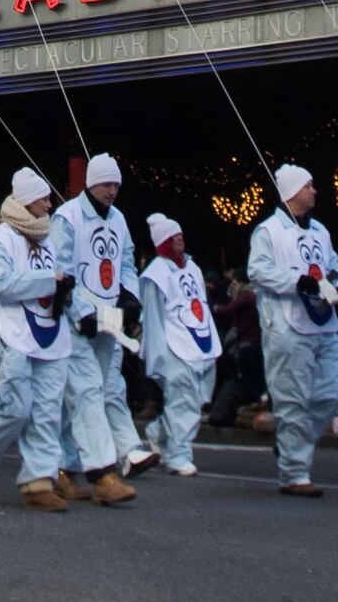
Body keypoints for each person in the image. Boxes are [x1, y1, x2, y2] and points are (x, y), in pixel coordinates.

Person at [0, 167, 88, 510]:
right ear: (28, 201)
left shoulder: (49, 237)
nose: (49, 204)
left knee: (48, 411)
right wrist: (50, 281)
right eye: (44, 198)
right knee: (15, 407)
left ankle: (38, 481)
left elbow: (65, 279)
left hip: (52, 335)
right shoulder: (1, 240)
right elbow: (2, 285)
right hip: (15, 333)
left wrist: (74, 303)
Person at [246, 163, 338, 499]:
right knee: (293, 398)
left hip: (323, 321)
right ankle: (294, 472)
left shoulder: (320, 231)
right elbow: (258, 272)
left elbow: (334, 266)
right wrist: (295, 282)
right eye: (308, 186)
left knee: (332, 391)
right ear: (292, 192)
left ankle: (292, 443)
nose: (314, 191)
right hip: (287, 323)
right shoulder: (268, 231)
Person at [52, 153, 148, 478]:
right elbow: (60, 271)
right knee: (86, 389)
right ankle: (98, 466)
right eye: (107, 184)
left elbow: (126, 261)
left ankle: (81, 461)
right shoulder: (67, 217)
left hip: (109, 318)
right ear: (92, 184)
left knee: (108, 386)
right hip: (76, 321)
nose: (112, 191)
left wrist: (130, 296)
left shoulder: (118, 219)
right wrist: (81, 312)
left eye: (116, 185)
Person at [140, 216, 221, 475]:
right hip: (174, 344)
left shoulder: (193, 268)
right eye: (172, 236)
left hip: (200, 338)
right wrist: (158, 354)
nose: (178, 239)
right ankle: (177, 454)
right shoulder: (156, 274)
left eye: (180, 234)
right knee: (182, 399)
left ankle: (159, 431)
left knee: (197, 398)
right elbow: (152, 317)